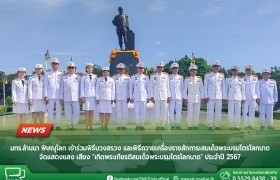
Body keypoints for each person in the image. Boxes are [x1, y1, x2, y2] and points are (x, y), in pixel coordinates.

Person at [204, 60, 226, 130]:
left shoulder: (221, 76)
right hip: (210, 97)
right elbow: (205, 87)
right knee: (210, 112)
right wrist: (206, 96)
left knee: (218, 112)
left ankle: (217, 125)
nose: (216, 67)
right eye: (214, 66)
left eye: (217, 66)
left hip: (219, 96)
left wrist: (224, 97)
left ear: (219, 67)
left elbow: (223, 87)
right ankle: (210, 125)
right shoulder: (207, 75)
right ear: (212, 67)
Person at [150, 61, 171, 130]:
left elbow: (168, 86)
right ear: (156, 68)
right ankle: (157, 125)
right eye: (158, 67)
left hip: (164, 96)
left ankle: (163, 125)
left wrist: (169, 96)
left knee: (164, 112)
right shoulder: (153, 76)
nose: (160, 68)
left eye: (161, 67)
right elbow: (151, 87)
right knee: (157, 112)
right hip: (156, 97)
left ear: (163, 68)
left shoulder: (166, 76)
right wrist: (151, 96)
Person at [60, 61, 81, 130]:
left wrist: (81, 97)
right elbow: (61, 88)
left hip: (76, 97)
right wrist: (61, 98)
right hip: (67, 97)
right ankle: (69, 125)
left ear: (75, 69)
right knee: (67, 112)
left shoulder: (78, 77)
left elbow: (81, 88)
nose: (71, 69)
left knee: (77, 112)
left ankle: (74, 125)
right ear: (67, 69)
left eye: (72, 68)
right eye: (69, 68)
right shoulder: (63, 77)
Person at [224, 65, 245, 130]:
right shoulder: (228, 79)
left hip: (238, 98)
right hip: (230, 98)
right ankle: (230, 126)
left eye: (236, 70)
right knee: (230, 112)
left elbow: (243, 90)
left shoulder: (241, 80)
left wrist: (243, 98)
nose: (234, 72)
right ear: (231, 71)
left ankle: (236, 126)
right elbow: (225, 89)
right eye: (233, 70)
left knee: (238, 113)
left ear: (238, 71)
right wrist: (225, 98)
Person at [184, 63, 204, 130]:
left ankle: (195, 125)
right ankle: (189, 125)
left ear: (196, 71)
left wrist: (202, 98)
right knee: (190, 112)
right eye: (192, 70)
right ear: (190, 71)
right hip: (190, 98)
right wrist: (185, 99)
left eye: (195, 70)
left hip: (197, 98)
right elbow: (185, 90)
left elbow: (202, 89)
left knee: (196, 113)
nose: (193, 71)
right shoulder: (187, 79)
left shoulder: (199, 79)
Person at [44, 58, 63, 130]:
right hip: (50, 95)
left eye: (56, 64)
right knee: (50, 111)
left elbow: (62, 86)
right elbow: (45, 85)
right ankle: (50, 125)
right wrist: (46, 96)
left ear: (58, 65)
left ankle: (58, 125)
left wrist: (62, 97)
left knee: (59, 111)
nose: (55, 65)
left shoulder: (61, 74)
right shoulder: (47, 73)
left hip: (59, 96)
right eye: (53, 64)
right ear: (51, 65)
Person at [129, 62, 149, 130]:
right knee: (136, 112)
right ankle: (137, 125)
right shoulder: (133, 77)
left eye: (142, 68)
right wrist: (131, 97)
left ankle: (142, 125)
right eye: (139, 68)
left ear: (143, 69)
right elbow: (131, 88)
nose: (140, 69)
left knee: (143, 112)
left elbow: (148, 88)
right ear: (137, 69)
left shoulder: (146, 77)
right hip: (136, 97)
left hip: (143, 97)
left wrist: (148, 97)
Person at [113, 63, 130, 130]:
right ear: (117, 70)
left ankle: (124, 125)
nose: (121, 70)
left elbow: (129, 88)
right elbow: (113, 88)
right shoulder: (114, 77)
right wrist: (113, 97)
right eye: (119, 69)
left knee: (125, 111)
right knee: (118, 111)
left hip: (125, 97)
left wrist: (129, 97)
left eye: (122, 69)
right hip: (117, 97)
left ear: (124, 70)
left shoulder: (127, 77)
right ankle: (119, 125)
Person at [80, 63, 97, 130]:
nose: (90, 69)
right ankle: (87, 125)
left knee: (92, 111)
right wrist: (82, 96)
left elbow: (96, 87)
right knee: (87, 111)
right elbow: (82, 87)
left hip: (93, 96)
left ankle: (91, 125)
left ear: (92, 69)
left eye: (91, 67)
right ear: (86, 69)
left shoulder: (95, 77)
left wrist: (97, 97)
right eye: (88, 67)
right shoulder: (83, 77)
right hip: (86, 96)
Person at [242, 64, 259, 130]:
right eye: (247, 70)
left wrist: (258, 97)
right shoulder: (242, 79)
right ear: (245, 71)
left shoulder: (255, 78)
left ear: (252, 71)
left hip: (253, 98)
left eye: (250, 70)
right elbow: (242, 89)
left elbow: (257, 89)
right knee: (244, 112)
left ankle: (251, 125)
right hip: (245, 98)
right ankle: (245, 125)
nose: (248, 72)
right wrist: (243, 98)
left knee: (252, 112)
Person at [169, 62, 184, 130]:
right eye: (173, 68)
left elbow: (182, 88)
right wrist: (168, 96)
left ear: (178, 69)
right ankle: (172, 125)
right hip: (171, 97)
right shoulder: (169, 77)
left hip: (179, 97)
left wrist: (183, 97)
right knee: (171, 112)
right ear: (171, 69)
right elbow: (167, 87)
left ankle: (178, 125)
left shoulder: (181, 77)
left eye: (176, 68)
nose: (175, 70)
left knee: (178, 112)